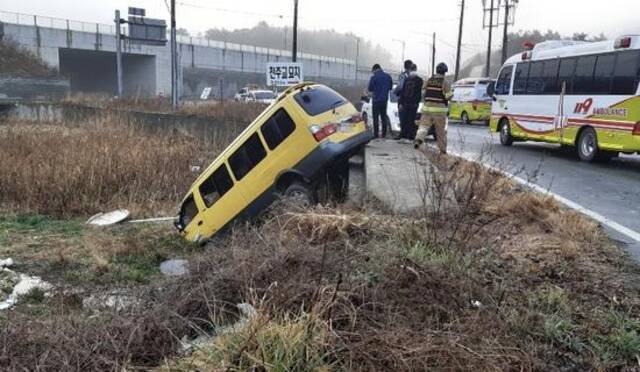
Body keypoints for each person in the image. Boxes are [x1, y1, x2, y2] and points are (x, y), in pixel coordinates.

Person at [415, 62, 453, 154]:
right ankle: (443, 151)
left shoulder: (429, 80)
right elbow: (448, 96)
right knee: (440, 132)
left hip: (427, 109)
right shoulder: (445, 82)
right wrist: (451, 93)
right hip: (439, 111)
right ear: (444, 72)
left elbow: (423, 92)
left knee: (423, 127)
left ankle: (418, 140)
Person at [397, 63, 423, 142]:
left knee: (404, 120)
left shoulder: (407, 79)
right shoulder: (419, 80)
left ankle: (403, 135)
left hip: (405, 103)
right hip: (413, 104)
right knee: (411, 120)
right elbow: (419, 93)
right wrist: (417, 102)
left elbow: (402, 92)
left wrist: (401, 103)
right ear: (416, 69)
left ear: (410, 70)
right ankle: (410, 136)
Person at [367, 64, 393, 139]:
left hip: (376, 100)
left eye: (373, 71)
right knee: (383, 117)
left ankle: (376, 135)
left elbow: (370, 88)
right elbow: (390, 87)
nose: (373, 73)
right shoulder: (388, 76)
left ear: (375, 69)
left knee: (375, 118)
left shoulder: (374, 77)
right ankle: (383, 135)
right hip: (384, 100)